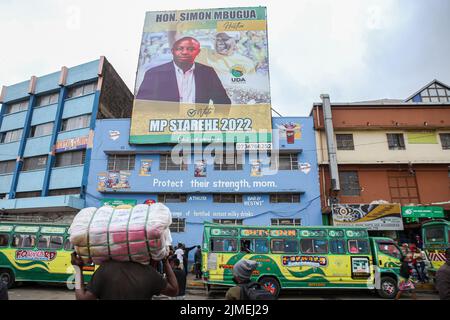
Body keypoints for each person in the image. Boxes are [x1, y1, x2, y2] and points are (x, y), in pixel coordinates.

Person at [136, 36, 231, 105]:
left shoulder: (208, 72)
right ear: (173, 51)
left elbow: (223, 102)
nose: (185, 52)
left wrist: (213, 124)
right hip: (164, 128)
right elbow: (142, 105)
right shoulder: (154, 73)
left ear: (198, 52)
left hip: (198, 128)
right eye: (180, 48)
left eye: (191, 49)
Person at [70, 252, 178, 300]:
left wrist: (78, 268)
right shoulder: (149, 272)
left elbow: (82, 298)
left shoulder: (105, 269)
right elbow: (174, 290)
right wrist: (165, 261)